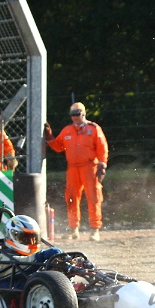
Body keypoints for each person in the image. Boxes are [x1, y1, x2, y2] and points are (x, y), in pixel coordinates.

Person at [44, 102, 109, 242]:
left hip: (90, 167)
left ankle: (94, 230)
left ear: (83, 114)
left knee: (94, 198)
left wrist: (102, 165)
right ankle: (74, 230)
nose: (74, 117)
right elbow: (58, 147)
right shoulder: (67, 130)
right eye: (72, 114)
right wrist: (49, 137)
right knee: (71, 198)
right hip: (73, 168)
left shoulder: (94, 129)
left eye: (77, 114)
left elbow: (102, 147)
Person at [0, 215, 62, 287]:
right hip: (11, 292)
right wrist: (41, 255)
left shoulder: (33, 258)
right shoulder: (0, 259)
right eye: (25, 239)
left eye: (33, 238)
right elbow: (23, 263)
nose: (31, 242)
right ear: (12, 236)